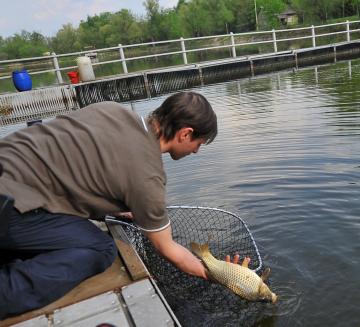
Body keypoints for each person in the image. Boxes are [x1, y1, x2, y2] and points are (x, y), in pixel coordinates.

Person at [0, 91, 217, 319]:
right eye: (198, 144)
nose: (196, 151)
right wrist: (216, 273)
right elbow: (168, 248)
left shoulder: (110, 109)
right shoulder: (148, 177)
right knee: (101, 249)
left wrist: (109, 206)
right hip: (10, 204)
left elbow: (74, 161)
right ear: (185, 134)